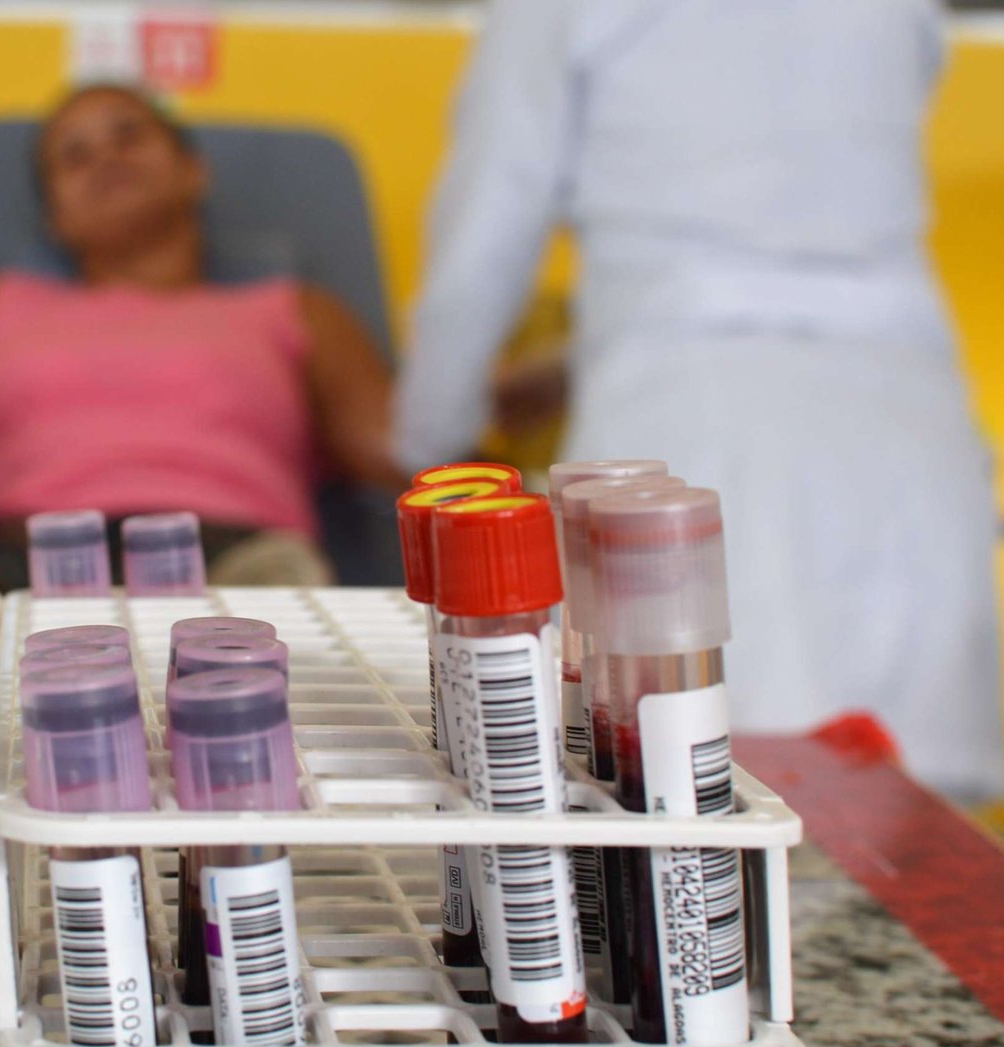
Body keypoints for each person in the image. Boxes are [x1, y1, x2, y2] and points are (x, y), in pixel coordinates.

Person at [395, 0, 1001, 798]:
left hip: (695, 425)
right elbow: (799, 219)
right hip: (904, 433)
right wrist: (582, 358)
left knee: (700, 798)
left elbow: (486, 234)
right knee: (916, 828)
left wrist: (427, 443)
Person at [0, 85, 398, 588]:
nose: (105, 158)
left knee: (258, 602)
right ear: (56, 217)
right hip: (8, 559)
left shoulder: (295, 309)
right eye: (74, 156)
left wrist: (457, 417)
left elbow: (401, 451)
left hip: (229, 554)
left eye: (130, 135)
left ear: (193, 172)